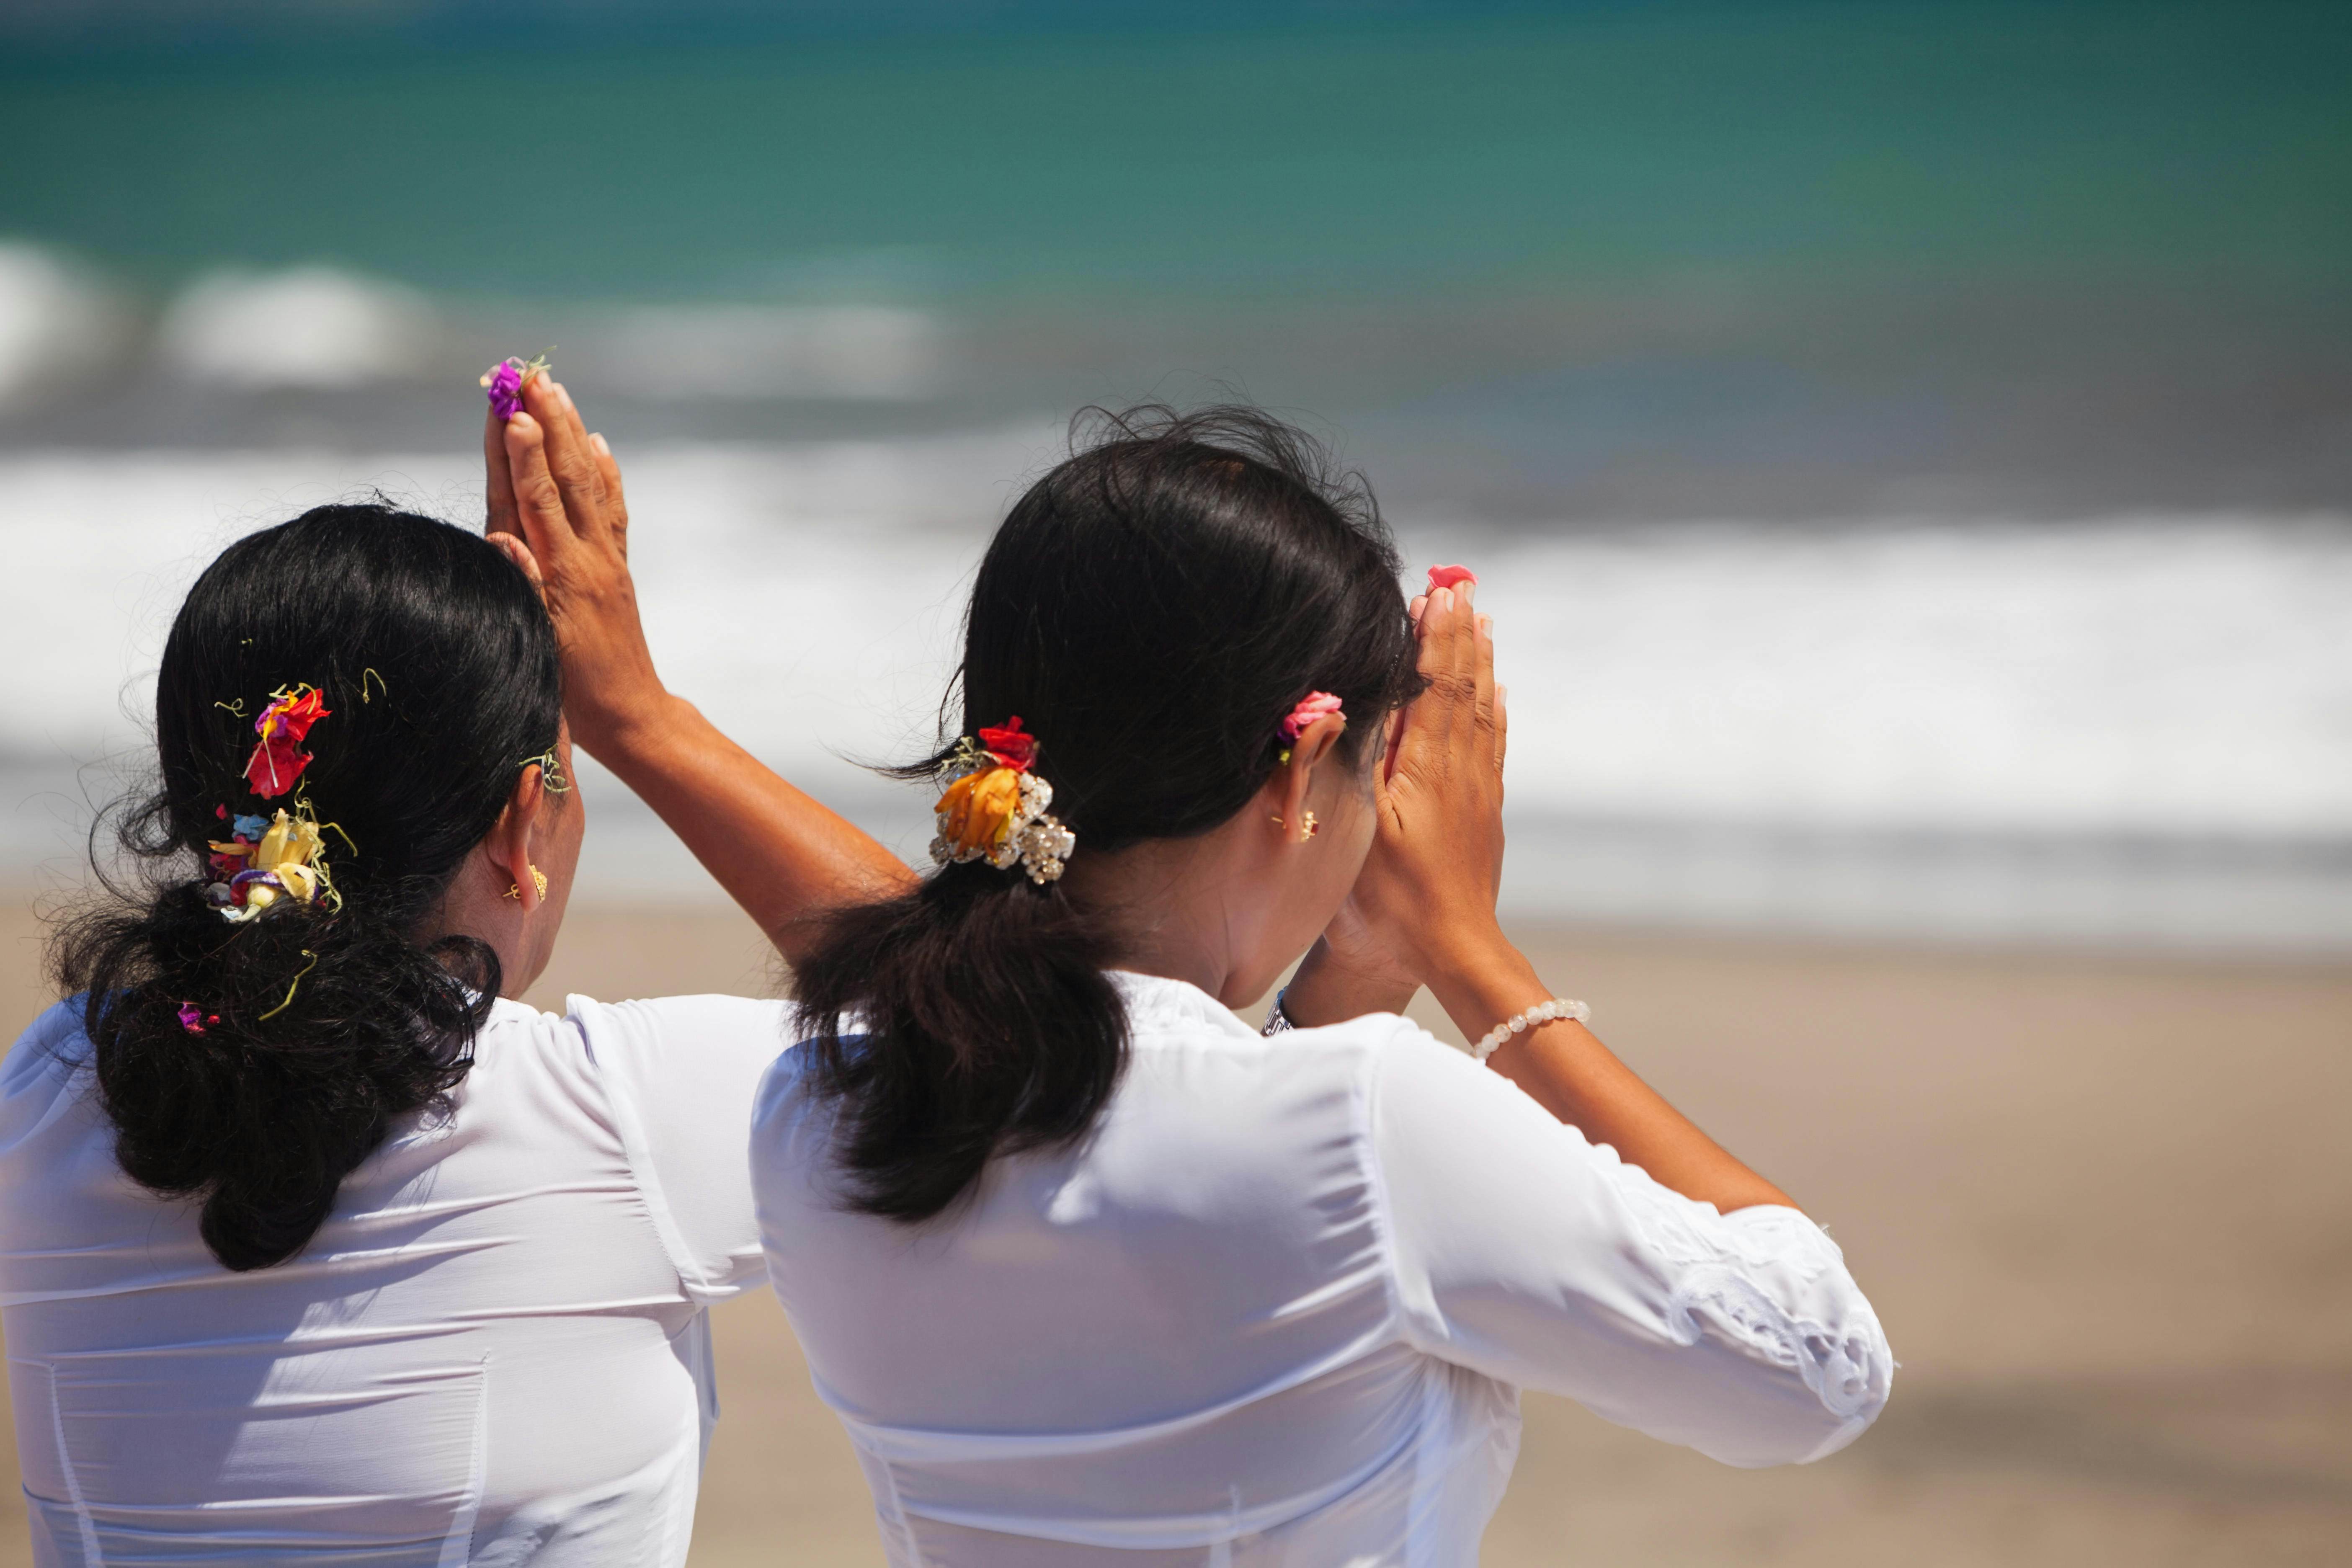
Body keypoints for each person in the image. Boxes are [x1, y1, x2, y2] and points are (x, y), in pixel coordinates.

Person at [657, 406, 1885, 1565]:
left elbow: (1207, 1164)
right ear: (1300, 767)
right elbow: (1816, 1367)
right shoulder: (1367, 1121)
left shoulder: (816, 1110)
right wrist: (1469, 950)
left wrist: (1360, 971)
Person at [0, 380, 909, 1565]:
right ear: (523, 823)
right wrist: (638, 712)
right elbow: (989, 1019)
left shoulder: (51, 1096)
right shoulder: (617, 1126)